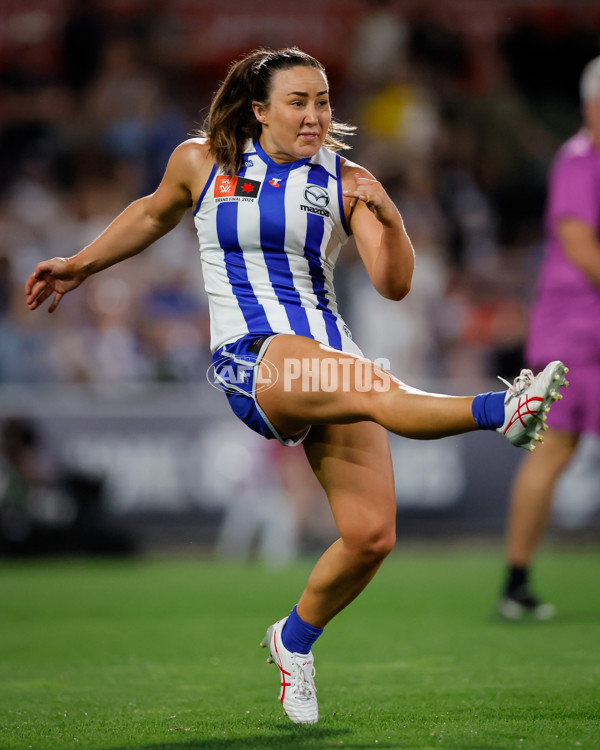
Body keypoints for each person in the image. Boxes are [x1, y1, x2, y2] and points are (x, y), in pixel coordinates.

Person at [25, 47, 567, 724]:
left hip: (330, 361)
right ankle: (503, 408)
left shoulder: (347, 179)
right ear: (259, 109)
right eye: (297, 101)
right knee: (370, 386)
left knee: (370, 536)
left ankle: (295, 639)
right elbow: (151, 213)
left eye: (323, 101)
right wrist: (79, 265)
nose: (314, 115)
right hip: (254, 359)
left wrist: (391, 220)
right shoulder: (201, 161)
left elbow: (394, 284)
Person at [497, 55, 600, 622]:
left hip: (580, 327)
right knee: (555, 446)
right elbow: (581, 247)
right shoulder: (580, 160)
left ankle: (515, 582)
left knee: (556, 449)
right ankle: (515, 581)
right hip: (576, 330)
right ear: (591, 104)